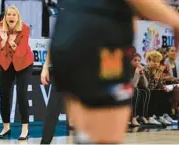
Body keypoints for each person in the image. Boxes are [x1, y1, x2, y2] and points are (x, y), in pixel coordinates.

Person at [44, 0, 179, 143]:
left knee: (87, 134)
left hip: (66, 36)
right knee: (106, 137)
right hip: (100, 42)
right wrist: (174, 21)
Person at [0, 6, 34, 140]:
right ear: (5, 17)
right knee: (4, 95)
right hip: (6, 64)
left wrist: (12, 44)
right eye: (8, 14)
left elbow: (22, 52)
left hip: (23, 63)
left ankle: (25, 129)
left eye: (13, 15)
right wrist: (4, 41)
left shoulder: (25, 28)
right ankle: (6, 128)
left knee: (22, 95)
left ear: (18, 17)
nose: (11, 17)